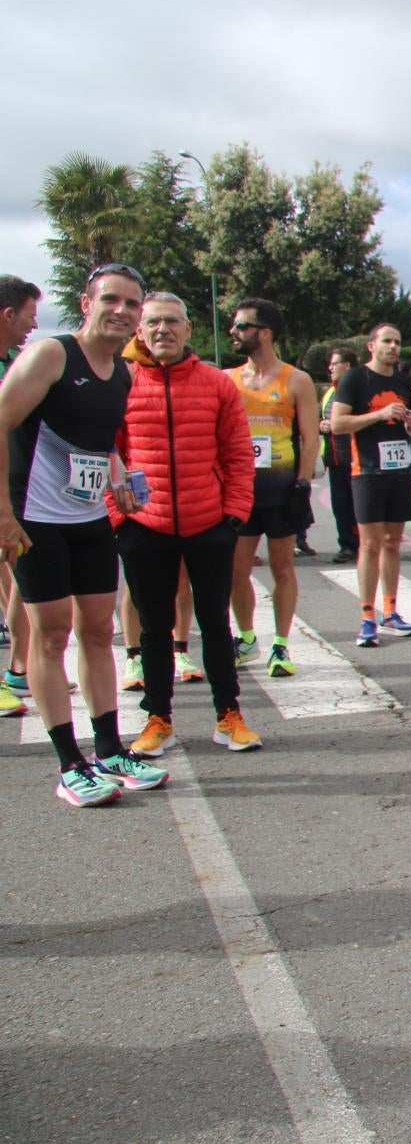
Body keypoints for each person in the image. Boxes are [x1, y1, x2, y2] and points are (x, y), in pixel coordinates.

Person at [0, 264, 165, 805]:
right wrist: (3, 513)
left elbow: (96, 442)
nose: (121, 311)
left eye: (131, 304)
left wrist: (117, 477)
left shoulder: (121, 372)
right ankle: (70, 763)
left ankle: (110, 750)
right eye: (110, 300)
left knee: (99, 632)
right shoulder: (52, 354)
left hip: (88, 520)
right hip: (35, 521)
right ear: (87, 301)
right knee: (51, 635)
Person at [113, 292, 260, 756]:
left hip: (208, 523)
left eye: (171, 322)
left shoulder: (217, 384)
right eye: (153, 322)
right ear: (140, 329)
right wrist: (120, 518)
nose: (162, 330)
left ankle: (228, 715)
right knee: (154, 629)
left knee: (215, 623)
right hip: (145, 526)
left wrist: (233, 515)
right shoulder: (122, 383)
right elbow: (107, 454)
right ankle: (158, 719)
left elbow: (238, 455)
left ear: (188, 328)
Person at [226, 298, 318, 678]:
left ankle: (281, 645)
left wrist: (302, 484)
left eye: (241, 327)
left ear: (264, 333)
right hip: (239, 490)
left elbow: (310, 439)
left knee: (283, 566)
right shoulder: (227, 379)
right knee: (236, 568)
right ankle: (247, 638)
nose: (234, 333)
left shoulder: (297, 380)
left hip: (281, 490)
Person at [329, 323, 411, 646]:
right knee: (370, 544)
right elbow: (338, 424)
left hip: (398, 471)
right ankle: (367, 617)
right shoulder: (356, 378)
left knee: (393, 543)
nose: (393, 347)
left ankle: (390, 611)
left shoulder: (402, 382)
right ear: (372, 346)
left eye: (397, 342)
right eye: (387, 341)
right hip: (366, 471)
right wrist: (379, 415)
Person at [0, 274, 42, 714]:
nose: (33, 325)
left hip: (12, 493)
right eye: (30, 316)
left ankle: (16, 670)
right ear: (8, 314)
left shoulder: (15, 364)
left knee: (15, 582)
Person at [320, 348, 359, 563]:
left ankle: (358, 543)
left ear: (348, 365)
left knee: (355, 505)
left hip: (354, 458)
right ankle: (347, 544)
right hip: (335, 459)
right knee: (341, 505)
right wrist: (322, 425)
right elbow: (322, 418)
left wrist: (335, 426)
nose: (331, 367)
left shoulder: (357, 390)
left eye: (336, 363)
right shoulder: (329, 392)